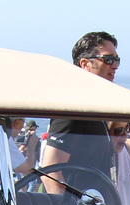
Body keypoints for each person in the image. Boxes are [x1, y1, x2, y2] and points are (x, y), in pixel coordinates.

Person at [40, 32, 121, 194]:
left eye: (117, 60)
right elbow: (50, 171)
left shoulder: (93, 109)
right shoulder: (73, 108)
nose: (115, 66)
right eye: (108, 59)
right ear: (85, 64)